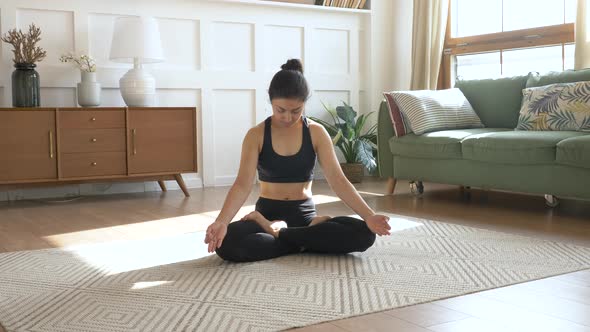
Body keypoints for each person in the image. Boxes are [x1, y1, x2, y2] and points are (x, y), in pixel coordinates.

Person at [204, 59, 391, 262]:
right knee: (228, 242)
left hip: (306, 218)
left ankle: (280, 235)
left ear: (304, 104)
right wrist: (222, 221)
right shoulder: (256, 135)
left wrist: (369, 215)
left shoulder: (316, 133)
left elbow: (338, 180)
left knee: (364, 234)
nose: (287, 117)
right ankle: (305, 241)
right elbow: (242, 185)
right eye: (280, 110)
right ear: (271, 102)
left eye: (296, 111)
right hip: (267, 217)